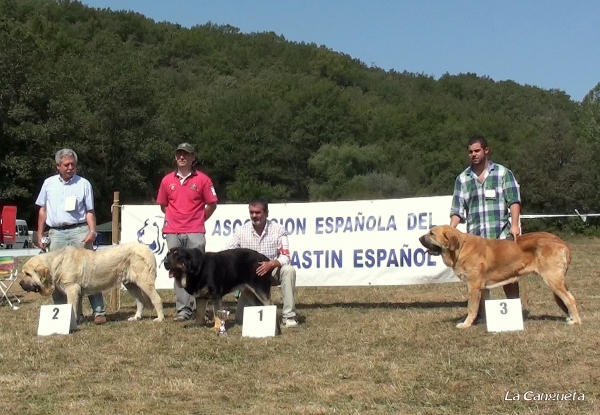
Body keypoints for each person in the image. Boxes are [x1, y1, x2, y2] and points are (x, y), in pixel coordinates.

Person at [450, 135, 524, 322]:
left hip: (500, 235)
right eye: (470, 152)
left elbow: (514, 200)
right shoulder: (462, 179)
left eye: (477, 151)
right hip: (476, 240)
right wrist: (450, 230)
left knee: (509, 276)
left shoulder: (503, 173)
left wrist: (515, 225)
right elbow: (457, 209)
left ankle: (514, 312)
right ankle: (483, 315)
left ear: (486, 151)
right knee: (477, 279)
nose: (473, 155)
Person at [35, 148, 106, 325]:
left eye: (73, 164)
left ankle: (99, 311)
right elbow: (42, 210)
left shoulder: (84, 184)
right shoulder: (48, 184)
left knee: (89, 272)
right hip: (56, 233)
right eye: (66, 165)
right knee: (57, 274)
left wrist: (92, 231)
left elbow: (90, 211)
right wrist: (39, 232)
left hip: (79, 231)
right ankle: (65, 314)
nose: (70, 167)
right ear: (57, 166)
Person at [156, 142, 218, 321]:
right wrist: (175, 218)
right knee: (177, 270)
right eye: (178, 154)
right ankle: (183, 310)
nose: (181, 157)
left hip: (195, 230)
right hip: (173, 231)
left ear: (193, 158)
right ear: (175, 157)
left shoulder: (203, 179)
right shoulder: (167, 180)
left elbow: (212, 204)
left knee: (199, 270)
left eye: (186, 154)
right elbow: (163, 205)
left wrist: (199, 218)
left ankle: (201, 310)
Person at [226, 199, 298, 328]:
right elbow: (228, 253)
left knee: (288, 270)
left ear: (266, 213)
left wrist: (271, 264)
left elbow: (286, 256)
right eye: (251, 212)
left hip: (272, 271)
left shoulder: (279, 229)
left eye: (258, 212)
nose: (254, 216)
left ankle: (289, 316)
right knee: (240, 320)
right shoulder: (240, 231)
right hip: (249, 279)